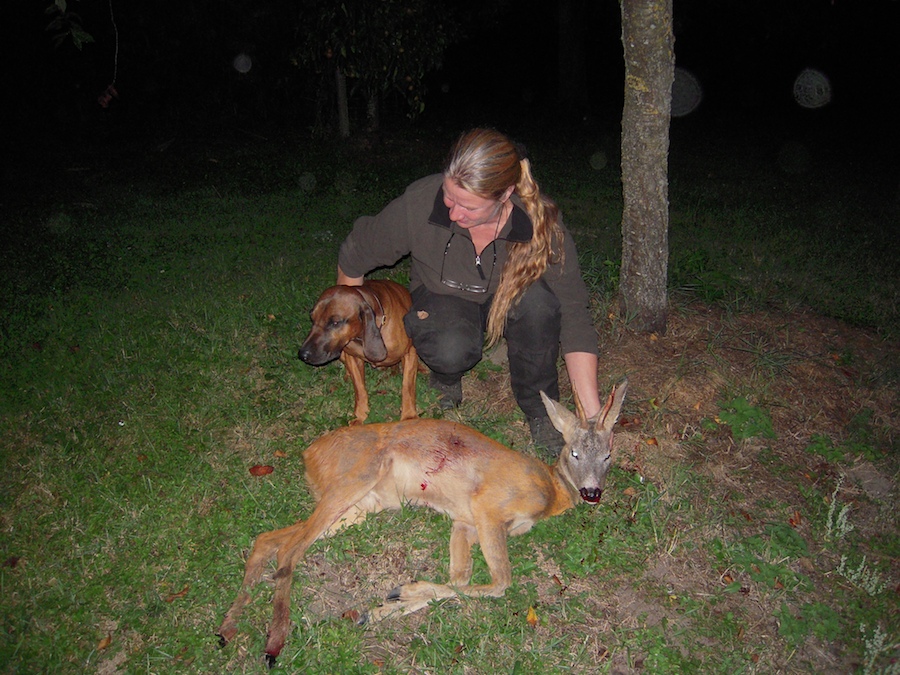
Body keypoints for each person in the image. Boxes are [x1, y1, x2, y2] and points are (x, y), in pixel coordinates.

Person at [336, 128, 601, 455]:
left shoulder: (540, 225)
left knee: (539, 305)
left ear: (505, 195)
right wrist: (353, 335)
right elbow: (355, 254)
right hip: (441, 296)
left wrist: (593, 420)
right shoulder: (420, 203)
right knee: (450, 349)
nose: (453, 213)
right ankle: (447, 375)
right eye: (449, 196)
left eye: (469, 207)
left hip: (508, 300)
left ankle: (539, 407)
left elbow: (575, 316)